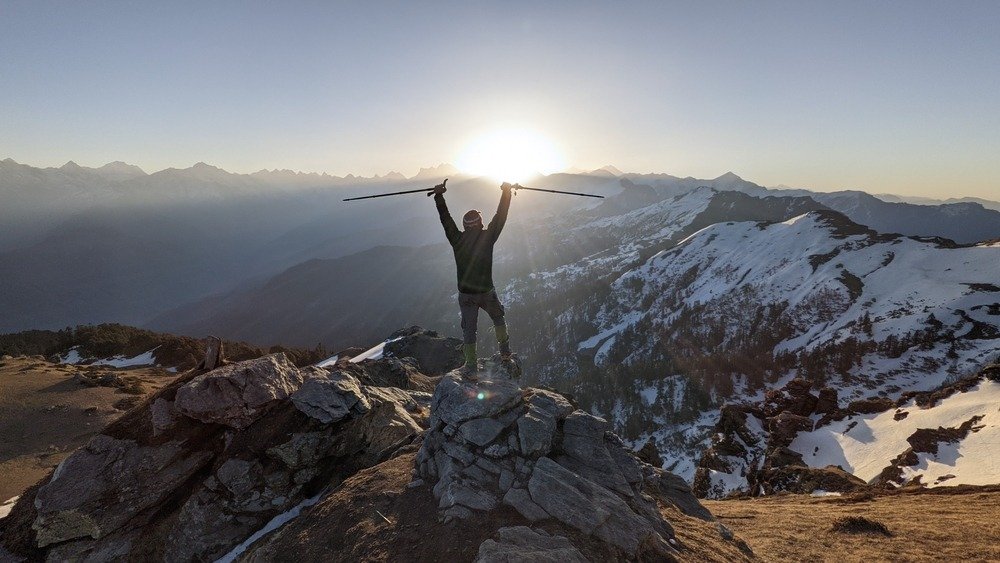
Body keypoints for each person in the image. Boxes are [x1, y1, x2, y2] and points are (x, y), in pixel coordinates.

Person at [433, 181, 514, 374]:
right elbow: (500, 216)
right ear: (479, 223)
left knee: (469, 330)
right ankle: (505, 353)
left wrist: (439, 196)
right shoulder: (488, 237)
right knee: (498, 317)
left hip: (465, 294)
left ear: (465, 225)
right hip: (486, 291)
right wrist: (506, 192)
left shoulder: (457, 239)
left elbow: (446, 219)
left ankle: (471, 365)